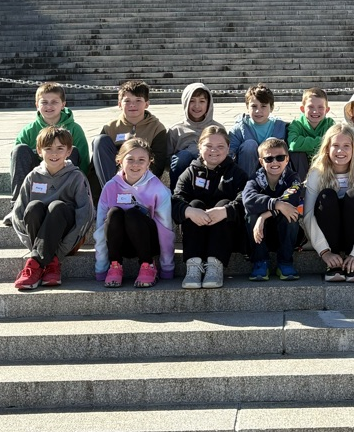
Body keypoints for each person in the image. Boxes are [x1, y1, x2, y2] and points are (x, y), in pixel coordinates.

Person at [11, 126, 95, 290]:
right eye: (48, 149)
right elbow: (18, 214)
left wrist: (61, 249)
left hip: (69, 240)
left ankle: (35, 264)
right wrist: (36, 246)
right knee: (33, 206)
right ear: (39, 151)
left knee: (57, 207)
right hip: (38, 240)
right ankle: (50, 265)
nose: (54, 154)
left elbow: (86, 215)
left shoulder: (76, 177)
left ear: (69, 151)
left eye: (60, 149)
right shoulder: (33, 177)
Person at [172, 126, 248, 290]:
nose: (214, 150)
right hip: (196, 233)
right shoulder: (190, 172)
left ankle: (215, 265)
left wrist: (226, 211)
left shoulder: (237, 173)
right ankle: (193, 265)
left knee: (224, 203)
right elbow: (176, 199)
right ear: (199, 147)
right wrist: (189, 211)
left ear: (228, 148)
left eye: (220, 146)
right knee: (194, 205)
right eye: (208, 146)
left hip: (226, 235)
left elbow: (247, 199)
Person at [94, 138, 175, 288]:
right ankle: (115, 266)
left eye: (141, 160)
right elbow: (100, 226)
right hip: (120, 242)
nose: (135, 164)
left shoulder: (157, 188)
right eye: (130, 159)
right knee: (114, 213)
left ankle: (148, 265)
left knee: (133, 214)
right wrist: (100, 267)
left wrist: (167, 267)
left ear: (149, 162)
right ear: (119, 160)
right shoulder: (110, 187)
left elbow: (165, 229)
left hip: (148, 242)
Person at [303, 124, 354, 282]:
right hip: (329, 235)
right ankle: (334, 263)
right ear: (327, 148)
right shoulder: (317, 172)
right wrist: (324, 251)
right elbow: (308, 214)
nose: (340, 151)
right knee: (326, 196)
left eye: (346, 146)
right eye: (335, 146)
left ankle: (353, 263)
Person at [10, 82, 89, 199]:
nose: (49, 106)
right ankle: (18, 201)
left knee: (73, 150)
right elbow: (18, 163)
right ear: (37, 104)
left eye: (54, 102)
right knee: (19, 149)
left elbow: (83, 160)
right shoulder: (28, 131)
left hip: (64, 178)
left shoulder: (74, 129)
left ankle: (68, 198)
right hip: (37, 177)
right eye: (44, 102)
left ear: (63, 104)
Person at [242, 137, 304, 281]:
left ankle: (285, 262)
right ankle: (260, 261)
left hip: (284, 233)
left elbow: (291, 199)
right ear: (261, 161)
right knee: (251, 215)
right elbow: (248, 201)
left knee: (291, 212)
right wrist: (277, 204)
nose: (275, 162)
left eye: (280, 157)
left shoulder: (293, 178)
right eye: (269, 159)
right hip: (259, 235)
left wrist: (263, 216)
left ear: (287, 159)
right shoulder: (255, 179)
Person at [91, 80, 167, 187]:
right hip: (113, 177)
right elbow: (98, 163)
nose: (132, 105)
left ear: (147, 104)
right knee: (99, 140)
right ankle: (111, 191)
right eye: (127, 101)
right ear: (119, 104)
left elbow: (158, 163)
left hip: (142, 179)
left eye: (138, 100)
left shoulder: (157, 128)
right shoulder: (110, 128)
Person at [167, 82, 224, 192]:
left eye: (202, 101)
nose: (197, 106)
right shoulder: (176, 130)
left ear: (208, 104)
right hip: (183, 178)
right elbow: (167, 159)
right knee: (183, 156)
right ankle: (177, 196)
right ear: (185, 102)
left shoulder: (217, 129)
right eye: (192, 101)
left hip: (211, 175)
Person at [229, 83, 287, 177]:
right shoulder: (239, 128)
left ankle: (274, 185)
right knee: (250, 145)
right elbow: (229, 154)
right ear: (247, 107)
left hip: (273, 171)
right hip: (246, 170)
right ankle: (245, 186)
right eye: (254, 106)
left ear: (271, 108)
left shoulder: (279, 127)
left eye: (263, 106)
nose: (258, 111)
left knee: (272, 143)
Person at [287, 87, 335, 178]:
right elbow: (294, 145)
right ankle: (301, 187)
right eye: (310, 106)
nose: (315, 111)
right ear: (302, 109)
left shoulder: (330, 124)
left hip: (324, 167)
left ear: (327, 110)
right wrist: (323, 142)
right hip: (301, 169)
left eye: (320, 107)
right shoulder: (296, 124)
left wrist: (305, 145)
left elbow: (333, 143)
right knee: (297, 154)